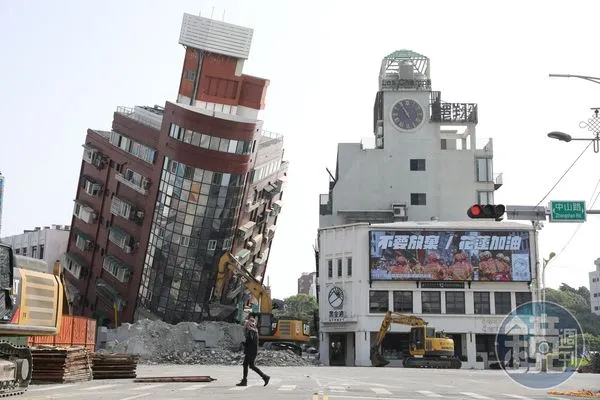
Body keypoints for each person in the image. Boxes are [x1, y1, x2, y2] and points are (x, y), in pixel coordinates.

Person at [236, 317, 270, 387]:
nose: (245, 325)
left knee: (245, 365)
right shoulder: (254, 331)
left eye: (247, 324)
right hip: (252, 351)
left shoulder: (251, 331)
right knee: (251, 366)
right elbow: (251, 342)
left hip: (250, 351)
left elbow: (250, 341)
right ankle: (265, 377)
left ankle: (244, 381)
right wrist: (244, 343)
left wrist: (243, 344)